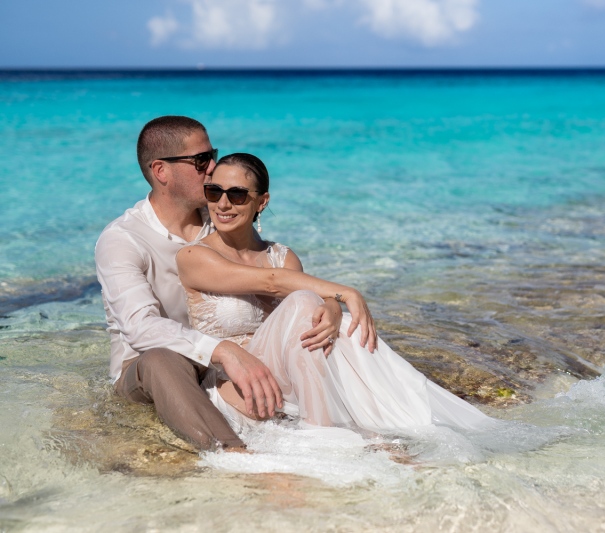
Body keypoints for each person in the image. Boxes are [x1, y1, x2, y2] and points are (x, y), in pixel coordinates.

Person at [95, 116, 378, 450]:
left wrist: (328, 305)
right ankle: (233, 455)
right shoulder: (123, 240)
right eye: (201, 160)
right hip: (155, 368)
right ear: (161, 171)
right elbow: (139, 328)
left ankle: (354, 425)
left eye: (212, 154)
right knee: (162, 359)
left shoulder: (220, 216)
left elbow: (275, 280)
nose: (213, 166)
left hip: (225, 364)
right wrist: (220, 350)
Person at [176, 153, 492, 437]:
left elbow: (296, 294)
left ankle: (339, 425)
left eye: (238, 194)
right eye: (214, 192)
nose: (223, 204)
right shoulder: (194, 257)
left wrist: (331, 305)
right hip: (236, 388)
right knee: (305, 300)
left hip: (289, 380)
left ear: (263, 201)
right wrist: (344, 293)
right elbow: (274, 283)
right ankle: (323, 430)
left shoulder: (283, 256)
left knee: (321, 313)